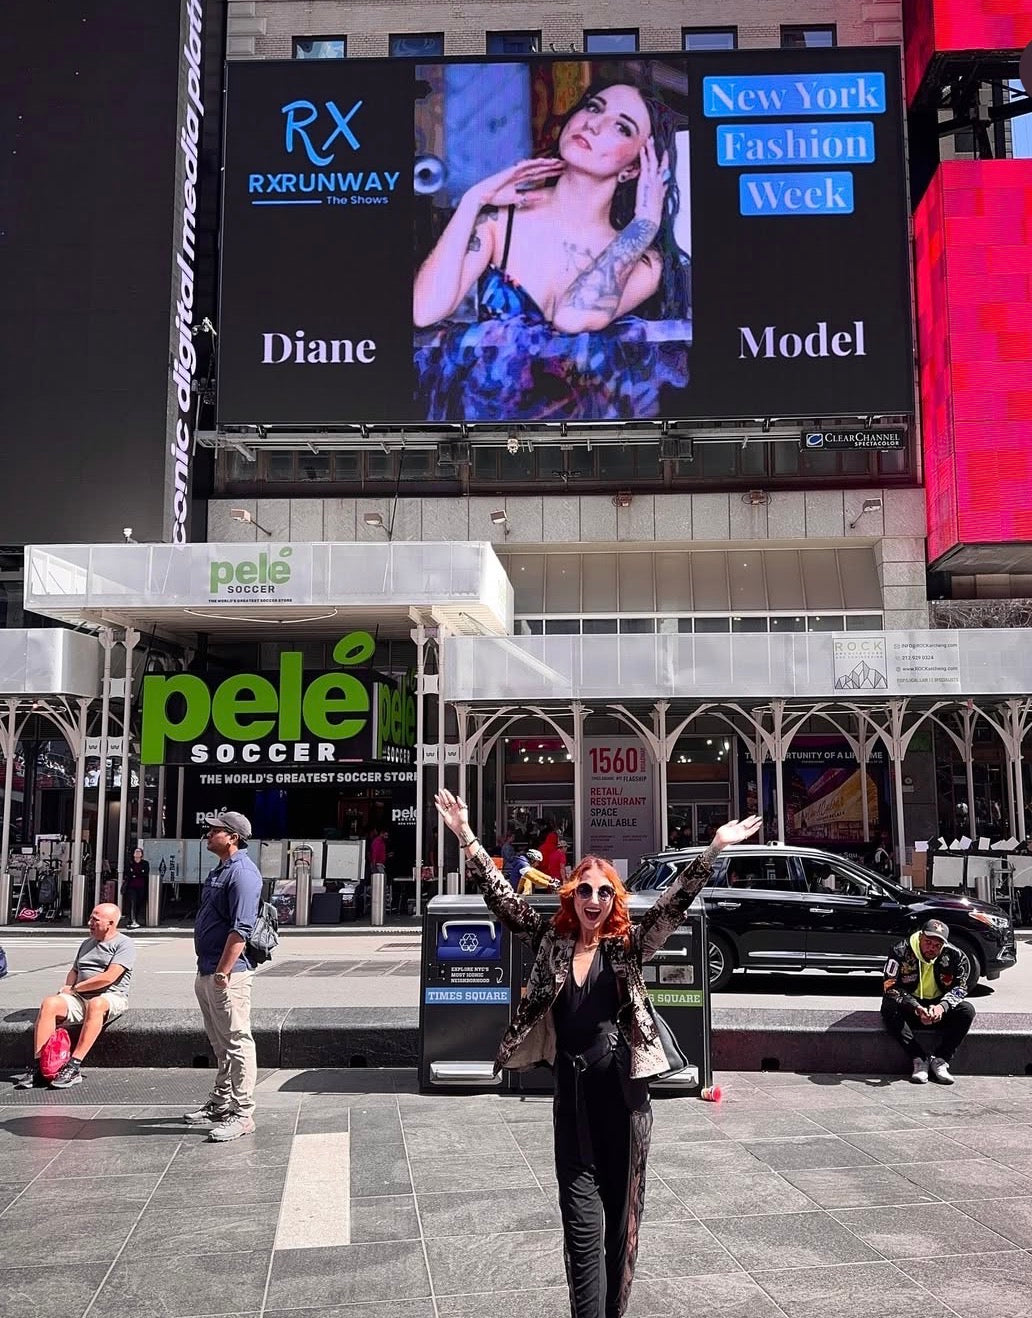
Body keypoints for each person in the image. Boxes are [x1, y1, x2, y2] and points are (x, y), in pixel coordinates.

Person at [435, 787, 760, 1318]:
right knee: (581, 1223)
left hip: (625, 1103)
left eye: (603, 893)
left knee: (621, 1217)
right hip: (573, 1102)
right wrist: (466, 836)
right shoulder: (552, 940)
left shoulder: (626, 945)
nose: (593, 900)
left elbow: (675, 903)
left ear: (614, 899)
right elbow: (502, 898)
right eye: (584, 890)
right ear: (571, 896)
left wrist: (712, 850)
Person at [414, 74, 691, 421]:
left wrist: (644, 224)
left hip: (580, 447)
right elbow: (425, 310)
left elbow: (573, 317)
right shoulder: (502, 221)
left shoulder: (642, 259)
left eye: (621, 128)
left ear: (634, 168)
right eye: (593, 107)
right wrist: (473, 201)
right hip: (483, 433)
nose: (593, 124)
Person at [184, 811, 263, 1141]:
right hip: (209, 968)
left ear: (232, 837)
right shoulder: (223, 869)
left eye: (215, 830)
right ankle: (221, 1101)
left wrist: (222, 973)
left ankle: (243, 1114)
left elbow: (240, 929)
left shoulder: (243, 874)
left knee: (237, 1041)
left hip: (227, 974)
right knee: (220, 1044)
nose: (208, 834)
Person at [15, 903, 135, 1090]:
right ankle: (40, 1065)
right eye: (90, 918)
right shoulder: (87, 943)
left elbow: (109, 977)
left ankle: (73, 1066)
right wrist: (68, 987)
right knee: (50, 1003)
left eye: (95, 920)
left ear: (111, 923)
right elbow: (75, 970)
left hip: (110, 996)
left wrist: (76, 988)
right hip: (79, 996)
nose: (90, 923)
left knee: (96, 1004)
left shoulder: (124, 943)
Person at [881, 918, 975, 1085]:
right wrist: (916, 1007)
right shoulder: (900, 951)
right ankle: (919, 1058)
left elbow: (961, 988)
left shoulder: (956, 956)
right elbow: (890, 986)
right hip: (911, 1003)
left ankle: (941, 1060)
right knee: (889, 1006)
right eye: (928, 942)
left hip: (938, 1004)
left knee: (967, 1010)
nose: (932, 948)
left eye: (937, 945)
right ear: (920, 937)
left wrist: (942, 1007)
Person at [122, 846, 149, 929]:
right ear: (133, 854)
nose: (137, 853)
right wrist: (137, 874)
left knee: (138, 903)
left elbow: (145, 873)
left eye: (139, 852)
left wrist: (135, 874)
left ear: (142, 854)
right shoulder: (130, 863)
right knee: (132, 902)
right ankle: (132, 920)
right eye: (136, 852)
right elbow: (128, 874)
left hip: (141, 886)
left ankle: (134, 919)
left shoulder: (145, 863)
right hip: (131, 886)